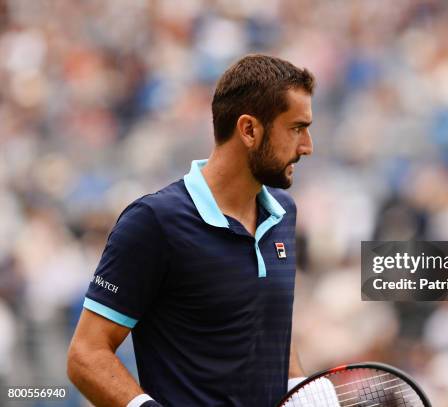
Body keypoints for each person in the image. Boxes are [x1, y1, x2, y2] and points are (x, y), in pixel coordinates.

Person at [67, 54, 315, 407]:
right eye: (296, 128)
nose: (307, 146)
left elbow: (269, 326)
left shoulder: (284, 214)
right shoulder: (153, 222)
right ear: (249, 130)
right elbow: (86, 355)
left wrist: (304, 389)